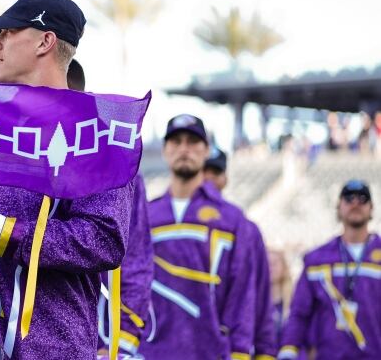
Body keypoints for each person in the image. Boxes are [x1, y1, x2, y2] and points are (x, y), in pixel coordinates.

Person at [0, 0, 133, 359]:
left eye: (9, 31)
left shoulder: (96, 137)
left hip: (52, 349)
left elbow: (103, 240)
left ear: (45, 41)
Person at [139, 114, 256, 359]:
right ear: (164, 150)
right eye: (176, 141)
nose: (184, 148)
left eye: (192, 141)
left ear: (206, 150)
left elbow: (242, 294)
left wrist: (240, 351)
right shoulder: (146, 215)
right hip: (151, 351)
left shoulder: (232, 219)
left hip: (210, 351)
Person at [66, 58, 152, 359]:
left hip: (93, 342)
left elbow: (135, 257)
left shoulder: (114, 159)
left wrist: (121, 339)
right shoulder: (9, 152)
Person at [278, 180, 381, 359]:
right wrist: (289, 348)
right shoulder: (318, 259)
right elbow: (300, 312)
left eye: (362, 199)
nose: (355, 203)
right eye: (349, 198)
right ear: (338, 206)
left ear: (371, 208)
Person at [203, 146, 278, 359]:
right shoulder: (169, 222)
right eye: (204, 170)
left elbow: (261, 294)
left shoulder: (245, 228)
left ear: (225, 179)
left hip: (230, 348)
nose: (208, 178)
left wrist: (265, 351)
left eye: (215, 172)